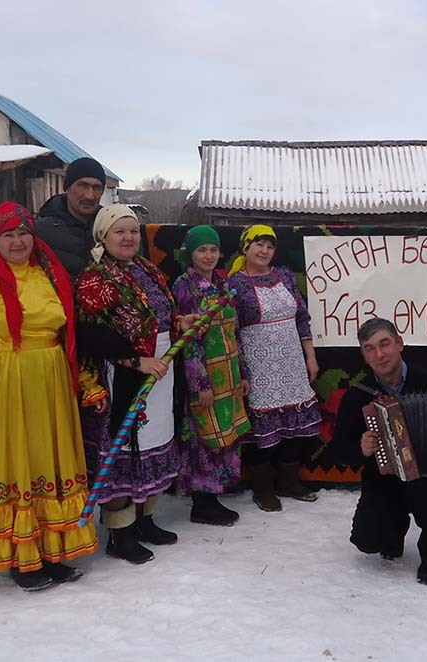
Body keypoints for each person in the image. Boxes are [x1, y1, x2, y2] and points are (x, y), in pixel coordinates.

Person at [0, 203, 106, 591]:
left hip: (51, 386)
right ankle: (22, 561)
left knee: (46, 467)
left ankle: (51, 552)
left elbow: (69, 338)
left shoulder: (50, 278)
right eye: (8, 235)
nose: (17, 242)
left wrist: (88, 381)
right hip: (4, 388)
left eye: (23, 233)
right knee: (15, 466)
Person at [76, 204, 196, 564]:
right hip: (125, 374)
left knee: (153, 441)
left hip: (159, 370)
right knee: (125, 448)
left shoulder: (148, 270)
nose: (128, 238)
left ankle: (145, 520)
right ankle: (120, 532)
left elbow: (160, 317)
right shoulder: (95, 278)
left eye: (133, 231)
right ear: (103, 236)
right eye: (119, 231)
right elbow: (90, 335)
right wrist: (135, 360)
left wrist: (179, 323)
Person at [331, 319, 427, 585]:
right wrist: (360, 448)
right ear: (364, 356)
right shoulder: (357, 396)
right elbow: (339, 451)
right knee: (367, 541)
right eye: (370, 348)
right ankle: (394, 526)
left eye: (384, 344)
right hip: (383, 480)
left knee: (426, 497)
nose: (379, 354)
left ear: (399, 343)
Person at [227, 225, 321, 512]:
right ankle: (264, 488)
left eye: (269, 245)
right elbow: (231, 332)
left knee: (295, 427)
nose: (264, 250)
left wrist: (310, 356)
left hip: (291, 361)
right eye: (258, 244)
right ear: (245, 247)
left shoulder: (285, 277)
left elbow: (302, 317)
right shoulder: (234, 285)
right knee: (262, 433)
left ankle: (289, 482)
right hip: (259, 365)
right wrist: (242, 371)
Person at [172, 225, 251, 526]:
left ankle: (217, 492)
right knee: (205, 439)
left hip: (228, 373)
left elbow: (235, 332)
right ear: (190, 253)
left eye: (213, 250)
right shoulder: (184, 286)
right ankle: (202, 502)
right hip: (205, 377)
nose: (208, 256)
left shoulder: (223, 285)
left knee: (226, 433)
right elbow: (189, 338)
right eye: (202, 250)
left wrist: (242, 372)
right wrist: (199, 383)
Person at [37, 157, 107, 278]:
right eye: (82, 185)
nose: (90, 196)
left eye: (97, 188)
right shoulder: (41, 232)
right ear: (68, 187)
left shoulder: (111, 228)